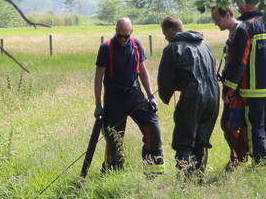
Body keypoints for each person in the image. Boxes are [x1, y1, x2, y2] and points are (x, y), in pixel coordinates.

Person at [220, 0, 266, 164]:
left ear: (247, 5)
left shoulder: (245, 28)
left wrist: (227, 90)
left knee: (256, 130)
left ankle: (261, 166)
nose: (238, 8)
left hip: (252, 93)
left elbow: (240, 63)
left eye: (239, 4)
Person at [94, 17, 164, 174]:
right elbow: (98, 78)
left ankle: (153, 171)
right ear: (115, 31)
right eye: (120, 36)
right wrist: (98, 104)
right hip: (114, 99)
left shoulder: (137, 45)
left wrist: (151, 96)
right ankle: (113, 172)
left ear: (131, 32)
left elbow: (143, 72)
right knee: (115, 139)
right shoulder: (106, 48)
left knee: (153, 127)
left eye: (126, 36)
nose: (123, 39)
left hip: (135, 95)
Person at [157, 16, 220, 176]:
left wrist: (166, 95)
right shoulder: (205, 45)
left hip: (193, 96)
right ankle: (199, 176)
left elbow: (165, 77)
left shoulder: (173, 48)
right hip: (213, 95)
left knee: (184, 140)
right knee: (202, 139)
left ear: (170, 30)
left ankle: (184, 178)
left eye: (165, 34)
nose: (166, 38)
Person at [210, 6, 249, 169]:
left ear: (228, 15)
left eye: (217, 19)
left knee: (231, 124)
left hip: (239, 90)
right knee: (230, 124)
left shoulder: (240, 31)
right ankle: (238, 158)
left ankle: (238, 159)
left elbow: (240, 63)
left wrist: (229, 90)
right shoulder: (233, 33)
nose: (215, 23)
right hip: (234, 89)